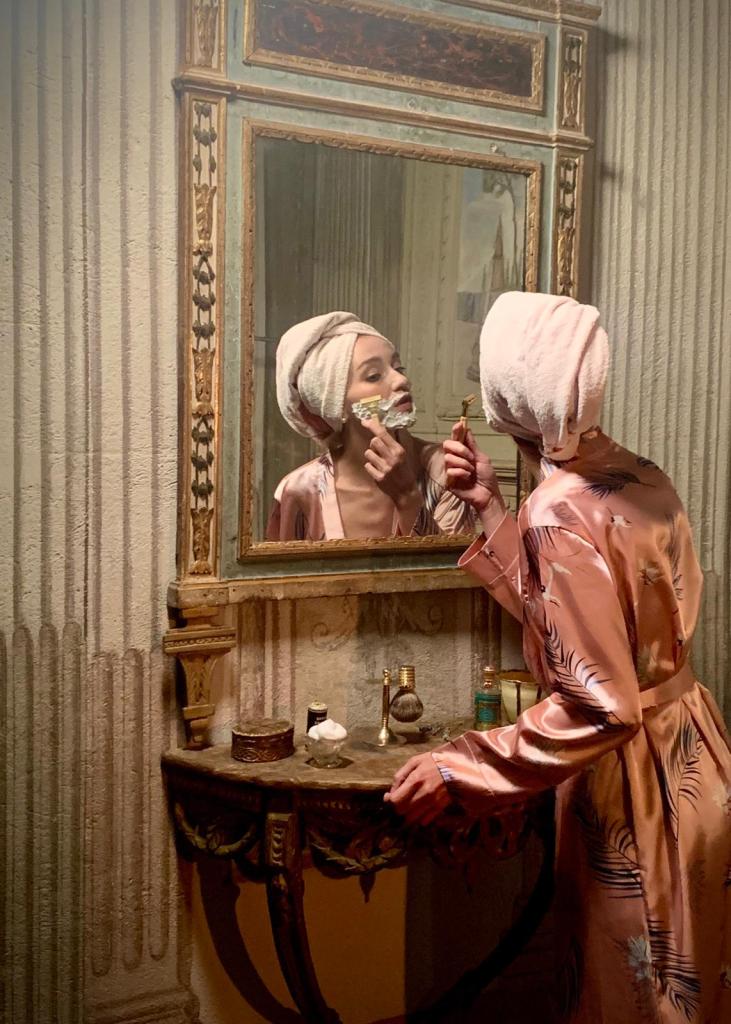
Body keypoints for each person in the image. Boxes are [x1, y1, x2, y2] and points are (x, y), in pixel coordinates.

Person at [385, 292, 731, 1022]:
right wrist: (489, 506)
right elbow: (588, 631)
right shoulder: (638, 472)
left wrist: (460, 764)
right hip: (700, 763)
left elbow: (600, 703)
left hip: (631, 787)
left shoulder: (556, 509)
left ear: (509, 395)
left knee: (631, 1005)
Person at [267, 311, 476, 541]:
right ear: (335, 405)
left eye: (399, 368)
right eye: (374, 376)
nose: (402, 380)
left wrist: (408, 497)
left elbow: (456, 564)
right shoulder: (299, 490)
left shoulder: (447, 469)